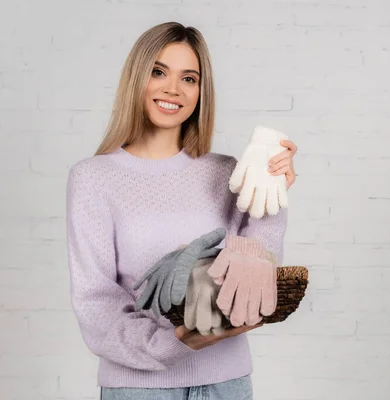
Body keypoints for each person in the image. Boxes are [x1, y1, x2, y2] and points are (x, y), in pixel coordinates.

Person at [65, 21, 298, 400]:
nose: (173, 89)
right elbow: (96, 301)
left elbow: (258, 275)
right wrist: (172, 343)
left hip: (227, 384)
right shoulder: (94, 178)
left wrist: (272, 190)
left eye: (189, 78)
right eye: (158, 72)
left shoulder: (227, 172)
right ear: (136, 78)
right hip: (139, 389)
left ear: (201, 91)